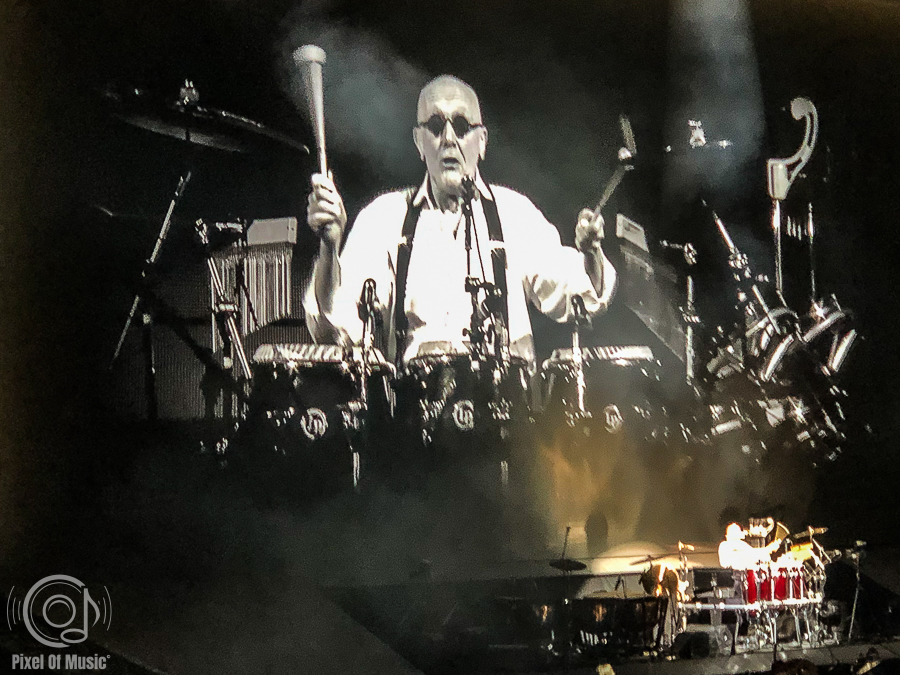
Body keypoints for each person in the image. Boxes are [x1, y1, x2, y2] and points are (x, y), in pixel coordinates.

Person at [303, 75, 616, 366]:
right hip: (411, 405)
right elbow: (334, 328)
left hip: (504, 403)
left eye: (462, 126)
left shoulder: (515, 214)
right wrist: (329, 248)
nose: (449, 138)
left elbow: (582, 296)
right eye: (436, 125)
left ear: (482, 141)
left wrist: (591, 252)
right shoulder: (383, 218)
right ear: (419, 142)